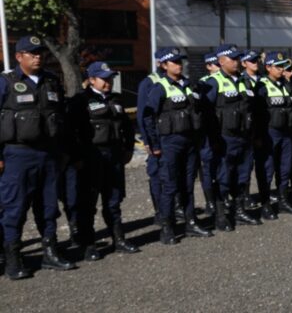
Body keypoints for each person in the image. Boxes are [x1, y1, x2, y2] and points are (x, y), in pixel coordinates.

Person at [0, 35, 76, 279]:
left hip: (49, 155)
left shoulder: (52, 81)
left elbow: (62, 119)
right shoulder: (6, 82)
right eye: (32, 53)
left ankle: (50, 252)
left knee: (48, 206)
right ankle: (13, 258)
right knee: (14, 208)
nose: (38, 56)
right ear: (19, 56)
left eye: (40, 52)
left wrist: (64, 152)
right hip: (17, 156)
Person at [67, 62, 139, 260]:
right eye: (104, 79)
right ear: (91, 80)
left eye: (110, 78)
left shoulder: (116, 100)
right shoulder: (80, 101)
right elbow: (71, 133)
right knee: (88, 204)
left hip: (114, 157)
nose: (108, 82)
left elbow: (127, 127)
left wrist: (129, 149)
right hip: (91, 158)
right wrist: (77, 158)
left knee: (113, 201)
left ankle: (119, 239)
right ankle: (88, 244)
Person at [144, 47, 213, 244]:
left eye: (179, 61)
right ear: (164, 65)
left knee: (188, 185)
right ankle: (167, 227)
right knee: (170, 186)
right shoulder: (159, 87)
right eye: (174, 62)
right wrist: (154, 144)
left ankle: (191, 222)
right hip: (169, 144)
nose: (178, 65)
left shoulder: (189, 85)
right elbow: (149, 117)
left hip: (190, 143)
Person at [202, 44, 261, 230]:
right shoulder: (213, 82)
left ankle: (240, 211)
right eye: (232, 59)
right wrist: (212, 140)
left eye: (237, 59)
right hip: (224, 138)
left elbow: (252, 109)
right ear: (221, 61)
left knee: (242, 176)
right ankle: (221, 216)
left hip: (244, 137)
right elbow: (205, 113)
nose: (236, 62)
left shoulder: (245, 81)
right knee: (224, 178)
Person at [255, 51, 292, 216]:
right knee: (267, 170)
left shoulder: (286, 85)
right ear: (268, 67)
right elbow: (257, 114)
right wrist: (258, 136)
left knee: (285, 169)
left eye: (283, 67)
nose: (282, 70)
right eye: (278, 66)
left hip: (287, 133)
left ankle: (282, 200)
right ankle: (265, 203)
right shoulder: (261, 86)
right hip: (270, 133)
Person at [136, 55, 166, 225]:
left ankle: (173, 209)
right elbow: (142, 114)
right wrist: (147, 141)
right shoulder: (148, 82)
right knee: (156, 175)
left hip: (170, 136)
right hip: (156, 138)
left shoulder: (175, 81)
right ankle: (159, 212)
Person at [195, 53, 221, 219]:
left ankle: (222, 199)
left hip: (221, 132)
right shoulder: (205, 83)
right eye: (214, 65)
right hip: (208, 134)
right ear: (209, 66)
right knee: (208, 169)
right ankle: (210, 202)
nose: (217, 68)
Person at [239, 50, 263, 211]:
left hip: (262, 128)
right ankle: (244, 196)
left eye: (257, 61)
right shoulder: (242, 80)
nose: (255, 63)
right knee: (245, 166)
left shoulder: (263, 80)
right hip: (246, 129)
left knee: (262, 164)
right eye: (252, 61)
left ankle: (264, 193)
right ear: (244, 63)